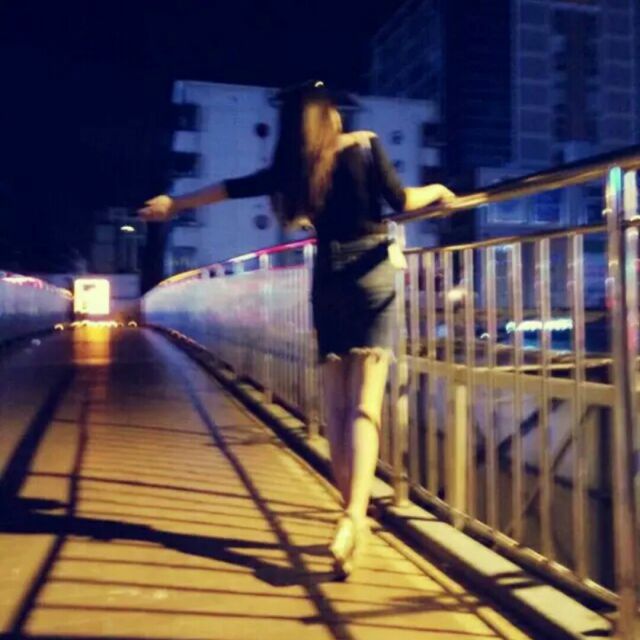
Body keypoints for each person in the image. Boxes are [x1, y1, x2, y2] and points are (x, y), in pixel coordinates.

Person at [139, 81, 455, 578]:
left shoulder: (296, 168)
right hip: (372, 274)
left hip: (328, 278)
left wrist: (172, 205)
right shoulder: (365, 144)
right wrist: (440, 192)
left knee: (337, 407)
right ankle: (355, 516)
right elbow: (402, 199)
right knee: (366, 406)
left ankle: (347, 513)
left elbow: (229, 188)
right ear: (331, 115)